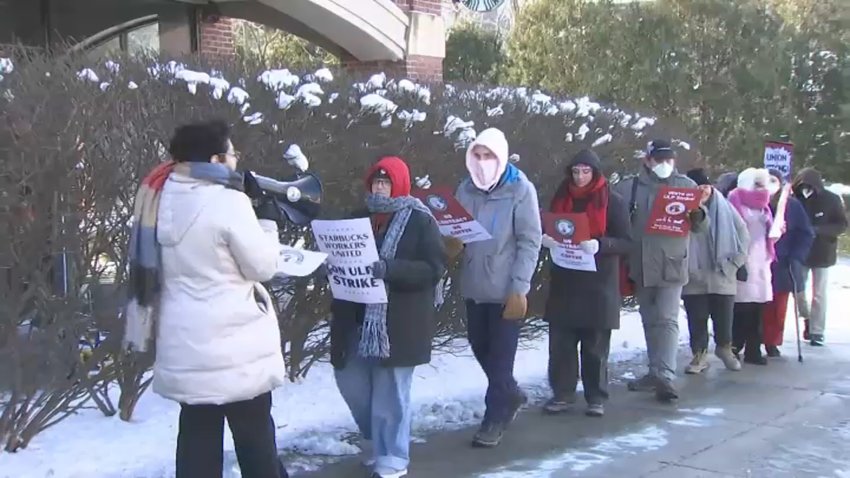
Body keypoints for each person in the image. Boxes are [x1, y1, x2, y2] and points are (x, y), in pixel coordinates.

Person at [123, 120, 289, 478]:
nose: (236, 159)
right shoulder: (228, 201)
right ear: (215, 159)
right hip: (236, 345)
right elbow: (262, 266)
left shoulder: (156, 197)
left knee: (197, 439)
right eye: (232, 153)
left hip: (185, 342)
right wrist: (269, 226)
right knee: (255, 437)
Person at [330, 156, 445, 478]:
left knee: (390, 393)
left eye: (386, 182)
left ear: (400, 184)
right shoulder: (357, 217)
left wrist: (390, 269)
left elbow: (433, 269)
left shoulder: (420, 221)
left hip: (399, 323)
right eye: (376, 182)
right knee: (352, 383)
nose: (380, 188)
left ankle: (392, 456)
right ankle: (375, 440)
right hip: (355, 318)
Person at [456, 128, 542, 447]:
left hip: (507, 290)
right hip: (475, 285)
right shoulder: (466, 189)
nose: (482, 162)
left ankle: (494, 419)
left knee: (501, 357)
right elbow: (458, 228)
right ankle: (512, 393)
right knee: (481, 347)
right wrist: (451, 243)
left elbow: (529, 240)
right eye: (477, 156)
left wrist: (519, 288)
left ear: (501, 157)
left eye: (488, 156)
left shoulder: (521, 190)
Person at [613, 139, 709, 402]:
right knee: (649, 318)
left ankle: (665, 376)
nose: (664, 164)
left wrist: (697, 215)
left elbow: (701, 226)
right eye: (659, 159)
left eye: (669, 160)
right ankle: (654, 370)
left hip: (673, 262)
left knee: (667, 319)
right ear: (648, 160)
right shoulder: (629, 187)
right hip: (641, 262)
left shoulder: (686, 187)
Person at [541, 149, 630, 417]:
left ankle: (596, 396)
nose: (580, 177)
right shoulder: (561, 197)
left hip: (598, 283)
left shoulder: (612, 200)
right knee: (561, 344)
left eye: (586, 171)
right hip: (565, 280)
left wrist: (600, 244)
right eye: (576, 171)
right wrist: (546, 240)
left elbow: (627, 241)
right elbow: (552, 225)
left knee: (594, 345)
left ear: (595, 172)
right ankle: (563, 393)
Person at [681, 168, 749, 374]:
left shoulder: (725, 207)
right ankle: (699, 355)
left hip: (722, 273)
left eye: (705, 186)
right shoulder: (683, 208)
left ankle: (724, 349)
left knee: (724, 317)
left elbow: (742, 234)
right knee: (697, 318)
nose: (703, 191)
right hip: (694, 274)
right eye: (697, 188)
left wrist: (735, 263)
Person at [792, 168, 848, 346]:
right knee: (798, 291)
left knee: (819, 294)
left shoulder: (831, 200)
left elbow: (841, 225)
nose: (806, 190)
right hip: (800, 251)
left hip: (822, 251)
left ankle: (817, 331)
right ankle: (807, 317)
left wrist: (819, 231)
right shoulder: (794, 199)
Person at [763, 169, 814, 357]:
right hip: (758, 261)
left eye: (773, 180)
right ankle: (748, 338)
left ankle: (772, 341)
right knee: (753, 305)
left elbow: (805, 233)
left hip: (783, 262)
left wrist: (796, 256)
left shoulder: (791, 205)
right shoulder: (753, 202)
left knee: (777, 306)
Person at [728, 168, 775, 365]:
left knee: (757, 307)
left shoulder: (765, 206)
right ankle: (735, 345)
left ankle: (754, 349)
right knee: (741, 307)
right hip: (742, 258)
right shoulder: (735, 201)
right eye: (756, 183)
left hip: (761, 259)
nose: (760, 188)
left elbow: (768, 230)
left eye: (762, 184)